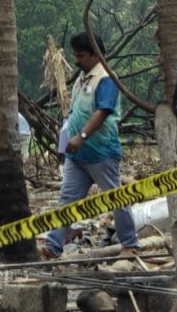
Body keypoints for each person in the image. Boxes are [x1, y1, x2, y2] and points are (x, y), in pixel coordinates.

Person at [39, 32, 139, 258]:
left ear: (96, 55)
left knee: (115, 198)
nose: (77, 60)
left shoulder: (106, 79)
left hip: (101, 152)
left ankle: (130, 245)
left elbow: (103, 111)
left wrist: (81, 135)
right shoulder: (83, 78)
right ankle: (54, 245)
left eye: (81, 55)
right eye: (75, 55)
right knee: (67, 199)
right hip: (77, 154)